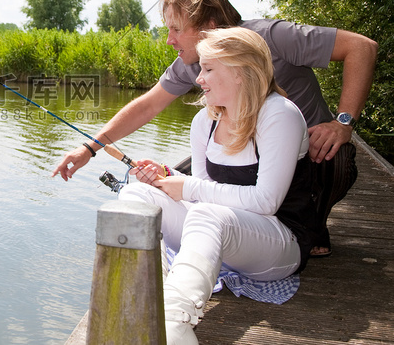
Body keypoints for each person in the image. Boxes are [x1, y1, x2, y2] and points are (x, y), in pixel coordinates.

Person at [52, 0, 378, 257]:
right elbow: (147, 106)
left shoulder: (274, 36)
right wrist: (88, 149)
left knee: (333, 159)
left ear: (208, 27)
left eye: (176, 29)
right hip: (240, 165)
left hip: (310, 163)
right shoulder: (192, 62)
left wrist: (342, 122)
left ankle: (312, 229)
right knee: (168, 183)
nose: (169, 39)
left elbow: (361, 48)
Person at [119, 27, 315, 344]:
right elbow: (200, 197)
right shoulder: (204, 122)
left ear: (240, 72)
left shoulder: (279, 114)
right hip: (220, 233)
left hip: (280, 243)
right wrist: (169, 183)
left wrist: (188, 187)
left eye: (209, 69)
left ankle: (174, 322)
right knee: (137, 193)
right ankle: (146, 293)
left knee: (209, 213)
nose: (199, 79)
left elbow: (267, 202)